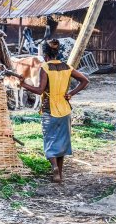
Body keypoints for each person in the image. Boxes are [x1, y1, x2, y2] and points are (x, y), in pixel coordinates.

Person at [19, 40, 89, 183]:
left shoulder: (45, 67)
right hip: (65, 109)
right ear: (58, 53)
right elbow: (85, 80)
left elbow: (39, 90)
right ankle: (60, 174)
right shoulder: (67, 67)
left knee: (50, 139)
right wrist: (71, 93)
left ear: (45, 55)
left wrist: (23, 84)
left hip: (49, 109)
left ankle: (54, 168)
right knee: (62, 142)